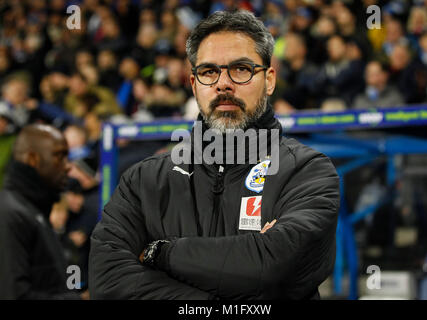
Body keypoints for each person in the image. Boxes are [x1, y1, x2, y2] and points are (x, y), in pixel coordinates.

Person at [89, 10, 339, 300]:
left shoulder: (307, 172)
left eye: (241, 69)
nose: (223, 83)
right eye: (209, 72)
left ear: (269, 80)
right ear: (194, 84)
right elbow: (108, 283)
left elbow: (274, 266)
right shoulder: (143, 181)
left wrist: (162, 253)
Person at [0, 124, 86, 299]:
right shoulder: (10, 213)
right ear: (33, 159)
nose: (68, 166)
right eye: (59, 157)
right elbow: (14, 295)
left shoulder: (33, 210)